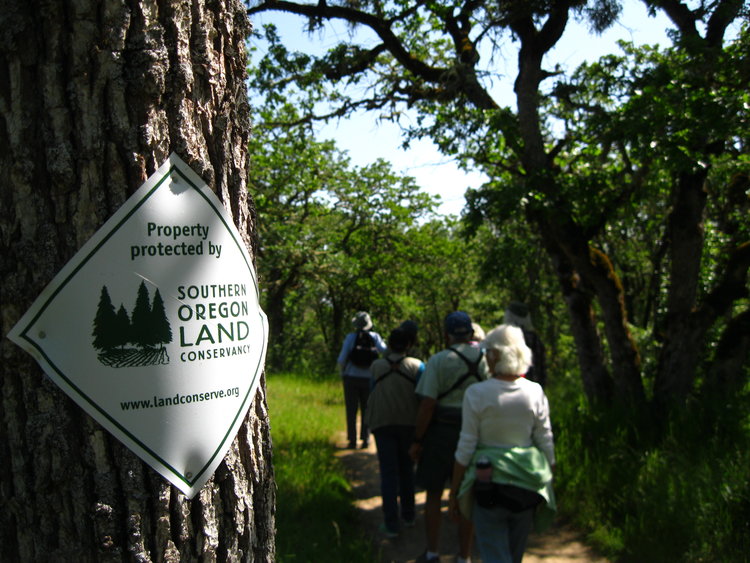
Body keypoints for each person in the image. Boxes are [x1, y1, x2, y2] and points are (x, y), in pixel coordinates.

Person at [448, 324, 556, 563]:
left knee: (495, 554)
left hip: (489, 485)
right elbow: (545, 439)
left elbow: (466, 447)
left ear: (495, 355)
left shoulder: (476, 393)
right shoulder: (534, 391)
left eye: (488, 353)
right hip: (528, 483)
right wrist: (549, 478)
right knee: (514, 554)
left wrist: (455, 491)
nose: (486, 357)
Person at [409, 311, 490, 563]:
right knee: (468, 494)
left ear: (447, 334)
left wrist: (417, 439)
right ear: (470, 333)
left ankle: (433, 552)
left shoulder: (439, 360)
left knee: (434, 493)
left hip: (441, 432)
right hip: (473, 432)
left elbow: (428, 404)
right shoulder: (486, 360)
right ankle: (463, 556)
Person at [366, 327, 425, 538]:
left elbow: (373, 390)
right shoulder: (417, 367)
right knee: (407, 470)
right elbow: (423, 396)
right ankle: (408, 516)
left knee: (389, 473)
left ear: (389, 344)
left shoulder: (376, 366)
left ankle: (391, 523)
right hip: (409, 424)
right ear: (409, 345)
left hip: (382, 423)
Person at [337, 311, 387, 449]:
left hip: (351, 378)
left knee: (351, 410)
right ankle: (365, 439)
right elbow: (386, 351)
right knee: (367, 409)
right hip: (369, 379)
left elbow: (341, 359)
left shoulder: (351, 338)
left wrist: (343, 373)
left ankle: (352, 440)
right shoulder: (375, 337)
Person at [504, 302, 547, 388]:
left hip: (511, 387)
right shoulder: (535, 338)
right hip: (534, 386)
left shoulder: (506, 338)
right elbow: (542, 368)